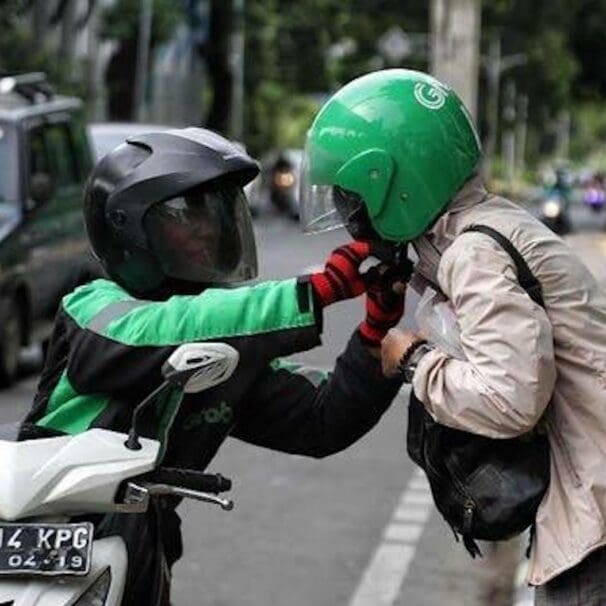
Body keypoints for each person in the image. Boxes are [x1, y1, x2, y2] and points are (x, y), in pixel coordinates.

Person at [24, 127, 407, 605]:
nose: (210, 229)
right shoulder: (93, 309)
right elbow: (149, 332)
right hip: (40, 544)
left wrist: (373, 337)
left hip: (141, 549)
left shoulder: (224, 348)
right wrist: (315, 291)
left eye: (219, 211)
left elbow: (320, 418)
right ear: (131, 226)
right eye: (189, 214)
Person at [299, 68, 606, 606]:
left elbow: (509, 398)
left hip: (594, 522)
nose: (349, 213)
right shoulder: (487, 231)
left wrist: (414, 359)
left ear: (392, 181)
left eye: (351, 195)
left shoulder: (474, 253)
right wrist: (400, 270)